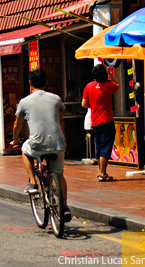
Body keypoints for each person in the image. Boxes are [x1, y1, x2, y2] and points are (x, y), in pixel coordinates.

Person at [11, 68, 71, 222]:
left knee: (25, 150)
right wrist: (61, 137)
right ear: (46, 82)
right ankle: (64, 207)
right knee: (59, 174)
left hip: (37, 143)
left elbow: (17, 124)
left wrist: (16, 139)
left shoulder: (24, 101)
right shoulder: (56, 99)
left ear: (30, 83)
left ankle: (32, 182)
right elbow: (61, 120)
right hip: (58, 143)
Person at [82, 63, 120, 182]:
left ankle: (101, 172)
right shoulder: (108, 86)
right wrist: (110, 73)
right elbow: (117, 84)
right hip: (107, 120)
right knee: (105, 148)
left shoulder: (89, 86)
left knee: (98, 146)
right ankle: (102, 174)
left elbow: (84, 104)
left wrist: (93, 106)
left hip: (95, 121)